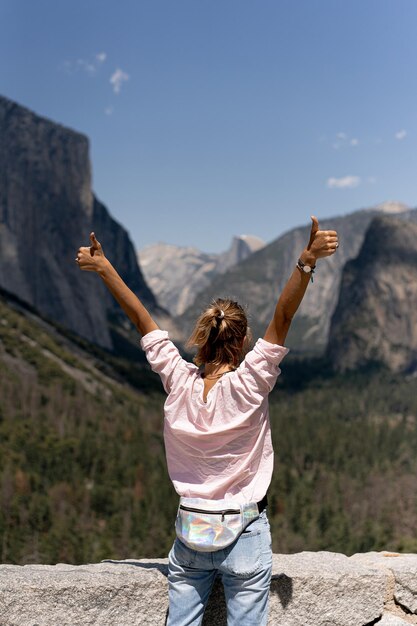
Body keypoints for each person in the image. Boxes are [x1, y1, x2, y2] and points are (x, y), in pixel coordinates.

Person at [76, 216, 338, 626]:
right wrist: (306, 262)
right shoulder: (250, 385)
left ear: (201, 337)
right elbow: (283, 320)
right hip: (246, 532)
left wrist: (105, 268)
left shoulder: (177, 381)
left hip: (191, 533)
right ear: (244, 340)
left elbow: (142, 321)